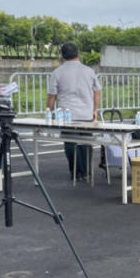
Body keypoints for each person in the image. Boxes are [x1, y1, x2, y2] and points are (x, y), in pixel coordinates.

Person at [46, 42, 101, 180]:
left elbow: (52, 96)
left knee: (70, 143)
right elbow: (97, 91)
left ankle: (75, 172)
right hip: (86, 114)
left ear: (63, 56)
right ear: (78, 54)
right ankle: (86, 172)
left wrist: (48, 112)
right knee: (86, 144)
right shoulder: (89, 71)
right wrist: (95, 110)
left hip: (67, 116)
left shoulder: (57, 72)